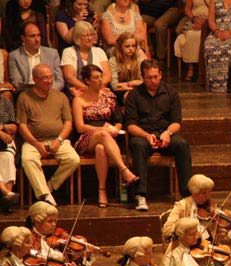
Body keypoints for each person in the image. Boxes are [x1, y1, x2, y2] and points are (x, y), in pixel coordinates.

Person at [125, 58, 192, 211]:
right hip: (144, 135)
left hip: (164, 134)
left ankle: (186, 194)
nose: (153, 80)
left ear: (160, 74)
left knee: (182, 145)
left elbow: (177, 122)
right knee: (137, 145)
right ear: (142, 77)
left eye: (156, 76)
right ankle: (140, 195)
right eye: (149, 78)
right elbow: (130, 124)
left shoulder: (171, 93)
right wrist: (146, 135)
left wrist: (167, 133)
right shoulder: (134, 95)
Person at [72, 64, 140, 208]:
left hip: (109, 137)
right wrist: (103, 130)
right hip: (86, 138)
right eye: (96, 78)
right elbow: (80, 127)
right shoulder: (79, 100)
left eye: (101, 76)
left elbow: (119, 121)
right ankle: (125, 171)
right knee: (102, 134)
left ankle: (102, 191)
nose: (100, 80)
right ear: (87, 80)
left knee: (101, 149)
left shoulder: (109, 96)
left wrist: (115, 129)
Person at [16, 64, 80, 207]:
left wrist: (59, 140)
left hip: (58, 140)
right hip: (34, 141)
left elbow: (68, 123)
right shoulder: (24, 97)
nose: (49, 81)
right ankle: (45, 196)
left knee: (73, 159)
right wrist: (36, 143)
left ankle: (49, 187)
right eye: (45, 78)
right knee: (28, 159)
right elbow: (22, 126)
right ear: (35, 79)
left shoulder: (60, 96)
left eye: (51, 77)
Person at [161, 174, 231, 245]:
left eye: (209, 192)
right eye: (203, 193)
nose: (207, 196)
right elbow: (167, 230)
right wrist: (187, 231)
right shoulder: (181, 206)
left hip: (208, 249)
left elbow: (221, 240)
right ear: (194, 192)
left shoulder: (212, 208)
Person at [203, 0, 231, 93]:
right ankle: (214, 85)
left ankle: (227, 84)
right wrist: (217, 32)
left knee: (227, 48)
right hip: (217, 32)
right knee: (209, 46)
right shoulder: (214, 1)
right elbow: (211, 20)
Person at [9, 22, 65, 95]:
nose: (37, 39)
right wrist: (36, 92)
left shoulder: (52, 53)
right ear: (23, 38)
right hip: (27, 95)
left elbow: (60, 81)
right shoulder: (14, 56)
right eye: (32, 36)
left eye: (38, 35)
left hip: (50, 93)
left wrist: (45, 90)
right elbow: (17, 83)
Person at [61, 21, 112, 98]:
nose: (90, 38)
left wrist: (96, 88)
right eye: (86, 35)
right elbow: (69, 77)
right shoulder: (68, 52)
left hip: (98, 90)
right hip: (76, 91)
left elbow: (107, 76)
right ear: (77, 37)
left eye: (92, 35)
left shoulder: (99, 51)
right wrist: (87, 89)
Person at [173, 0, 210, 82]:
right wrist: (195, 19)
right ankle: (191, 68)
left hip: (209, 20)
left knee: (200, 35)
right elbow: (187, 9)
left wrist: (206, 22)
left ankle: (202, 70)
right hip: (194, 19)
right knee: (191, 34)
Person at [139, 0, 181, 68]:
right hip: (151, 11)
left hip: (170, 9)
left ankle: (161, 58)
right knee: (140, 22)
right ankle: (149, 55)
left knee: (159, 25)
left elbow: (165, 4)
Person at [108, 32, 147, 103]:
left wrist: (128, 84)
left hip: (136, 90)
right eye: (127, 46)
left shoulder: (138, 60)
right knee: (130, 96)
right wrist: (134, 84)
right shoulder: (113, 61)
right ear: (120, 47)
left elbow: (144, 81)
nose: (131, 49)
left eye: (133, 46)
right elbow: (114, 85)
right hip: (120, 92)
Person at [0, 94, 18, 212]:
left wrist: (3, 127)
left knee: (7, 157)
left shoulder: (6, 102)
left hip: (4, 143)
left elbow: (14, 127)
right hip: (3, 137)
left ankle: (6, 201)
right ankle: (7, 193)